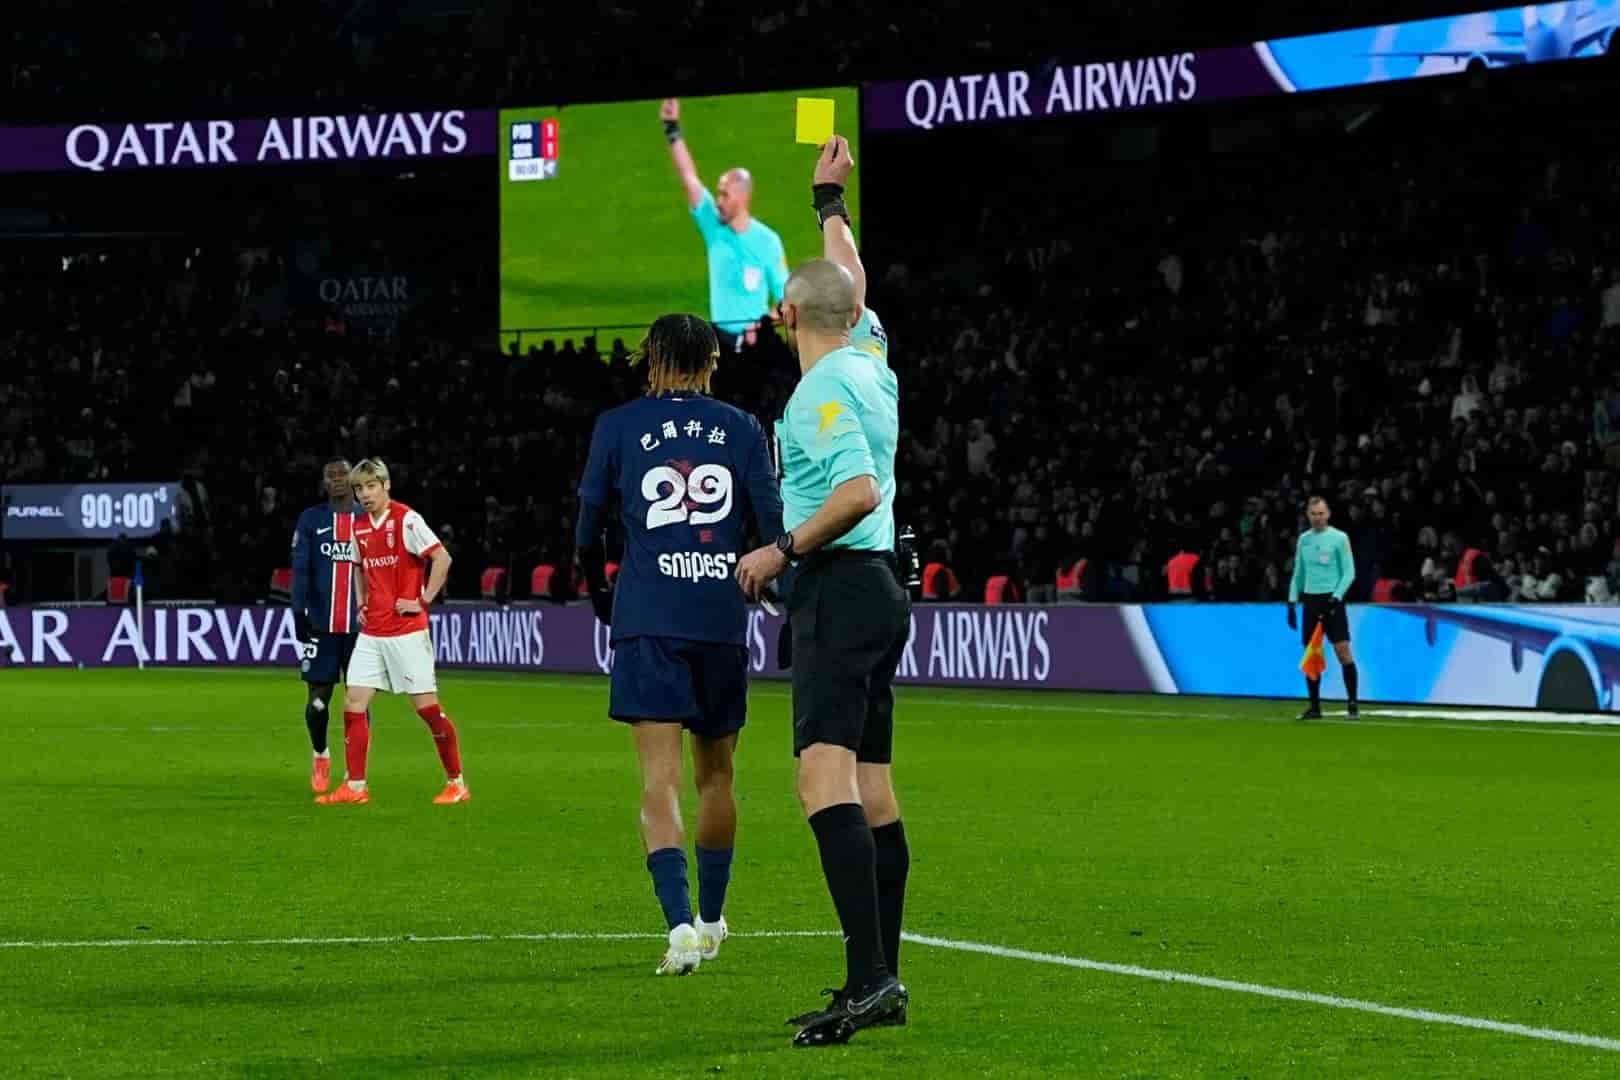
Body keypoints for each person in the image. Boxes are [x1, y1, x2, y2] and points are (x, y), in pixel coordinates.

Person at [735, 135, 909, 1047]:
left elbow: (858, 491)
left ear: (787, 312)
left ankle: (870, 979)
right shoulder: (870, 358)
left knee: (820, 779)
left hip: (839, 587)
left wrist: (779, 550)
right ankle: (881, 979)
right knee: (872, 786)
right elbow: (853, 283)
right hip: (880, 587)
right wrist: (828, 202)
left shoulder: (820, 396)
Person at [576, 313, 784, 977]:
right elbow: (772, 522)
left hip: (649, 617)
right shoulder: (742, 427)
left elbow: (589, 523)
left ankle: (680, 927)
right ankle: (714, 919)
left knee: (658, 784)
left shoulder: (618, 424)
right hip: (718, 617)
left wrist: (598, 589)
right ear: (710, 361)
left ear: (651, 357)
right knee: (717, 778)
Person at [316, 458, 468, 806]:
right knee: (353, 703)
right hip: (373, 632)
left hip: (407, 632)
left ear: (386, 486)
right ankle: (356, 787)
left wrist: (423, 600)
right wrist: (361, 603)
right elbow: (358, 567)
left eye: (371, 486)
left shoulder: (406, 520)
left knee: (427, 709)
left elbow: (442, 558)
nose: (365, 494)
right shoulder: (359, 526)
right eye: (359, 488)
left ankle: (457, 783)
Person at [660, 98, 789, 351]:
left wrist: (763, 323)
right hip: (718, 342)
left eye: (725, 195)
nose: (718, 201)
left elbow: (788, 299)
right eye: (718, 193)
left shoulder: (768, 242)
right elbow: (690, 179)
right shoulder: (714, 226)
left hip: (753, 347)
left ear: (743, 198)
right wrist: (672, 128)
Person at [290, 458, 362, 794]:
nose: (337, 479)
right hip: (321, 626)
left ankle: (355, 773)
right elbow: (300, 568)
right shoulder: (311, 519)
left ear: (352, 478)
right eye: (330, 475)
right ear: (324, 482)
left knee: (358, 703)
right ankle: (321, 753)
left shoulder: (368, 518)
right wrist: (297, 611)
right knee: (318, 704)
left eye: (342, 474)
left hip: (361, 629)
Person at [1287, 495, 1360, 720]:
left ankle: (1352, 703)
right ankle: (1315, 707)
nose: (1317, 518)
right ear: (1308, 515)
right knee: (1311, 654)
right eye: (1313, 514)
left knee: (1342, 650)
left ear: (1328, 514)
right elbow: (1299, 573)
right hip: (1311, 601)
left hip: (1332, 599)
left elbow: (1349, 572)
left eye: (1321, 513)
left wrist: (1336, 597)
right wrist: (1291, 602)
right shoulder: (1304, 540)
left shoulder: (1339, 538)